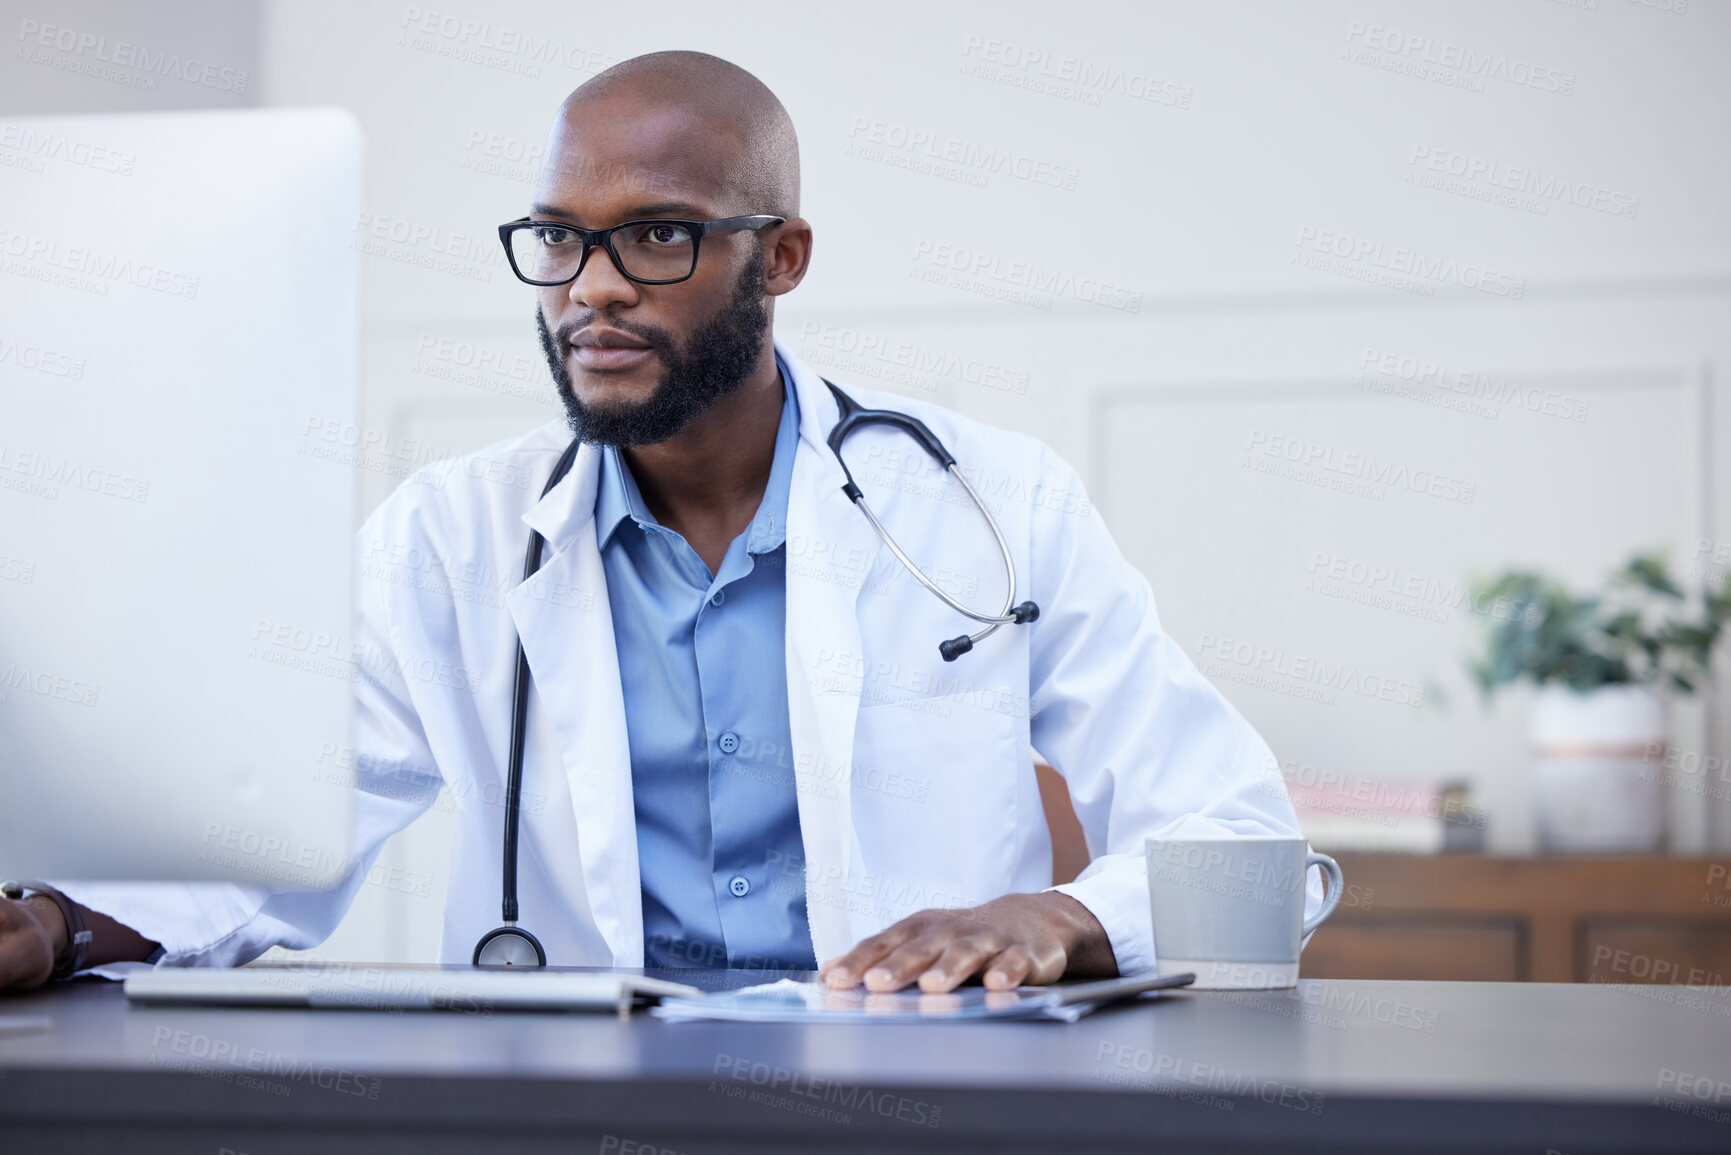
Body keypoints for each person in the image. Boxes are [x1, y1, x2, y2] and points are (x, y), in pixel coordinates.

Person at [0, 50, 1307, 996]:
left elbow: (1249, 848)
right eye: (561, 242)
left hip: (919, 1103)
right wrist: (60, 921)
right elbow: (269, 830)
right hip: (580, 1113)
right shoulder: (452, 536)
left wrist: (1061, 915)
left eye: (661, 238)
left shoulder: (990, 505)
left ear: (782, 257)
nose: (596, 292)